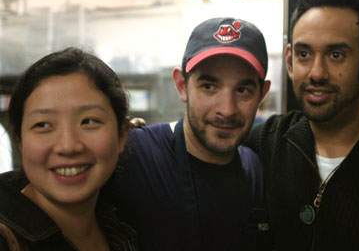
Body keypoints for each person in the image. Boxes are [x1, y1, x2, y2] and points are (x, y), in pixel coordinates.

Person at [106, 17, 273, 251]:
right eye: (209, 87)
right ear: (182, 86)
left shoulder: (255, 170)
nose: (226, 109)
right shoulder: (133, 153)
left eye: (243, 90)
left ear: (262, 94)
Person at [245, 0, 359, 250]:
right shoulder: (267, 142)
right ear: (289, 62)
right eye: (304, 54)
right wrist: (144, 136)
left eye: (336, 55)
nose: (317, 73)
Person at [0, 47, 138, 250]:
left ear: (122, 135)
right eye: (43, 125)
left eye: (89, 121)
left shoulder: (122, 224)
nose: (68, 146)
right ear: (20, 142)